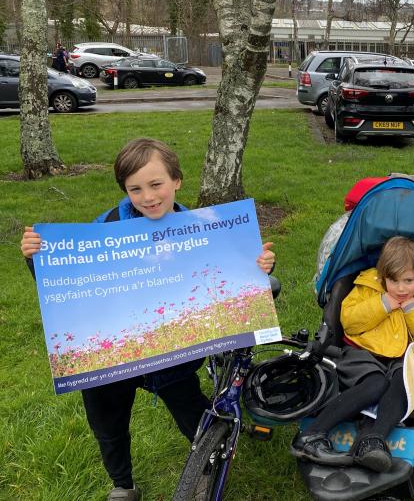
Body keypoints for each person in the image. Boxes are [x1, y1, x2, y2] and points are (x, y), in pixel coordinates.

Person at [20, 138, 277, 501]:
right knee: (107, 426)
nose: (148, 196)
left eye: (156, 184)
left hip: (175, 359)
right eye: (135, 188)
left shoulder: (207, 231)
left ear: (177, 181)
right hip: (112, 361)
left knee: (197, 421)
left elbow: (236, 274)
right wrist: (38, 260)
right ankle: (123, 485)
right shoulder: (107, 226)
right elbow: (71, 284)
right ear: (125, 190)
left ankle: (206, 465)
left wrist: (262, 266)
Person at [291, 236, 414, 473]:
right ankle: (312, 433)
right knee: (376, 383)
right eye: (394, 281)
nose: (401, 289)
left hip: (403, 358)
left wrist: (412, 309)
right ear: (382, 277)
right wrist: (382, 304)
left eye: (409, 281)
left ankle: (372, 439)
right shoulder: (366, 287)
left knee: (404, 382)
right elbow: (349, 322)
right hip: (362, 353)